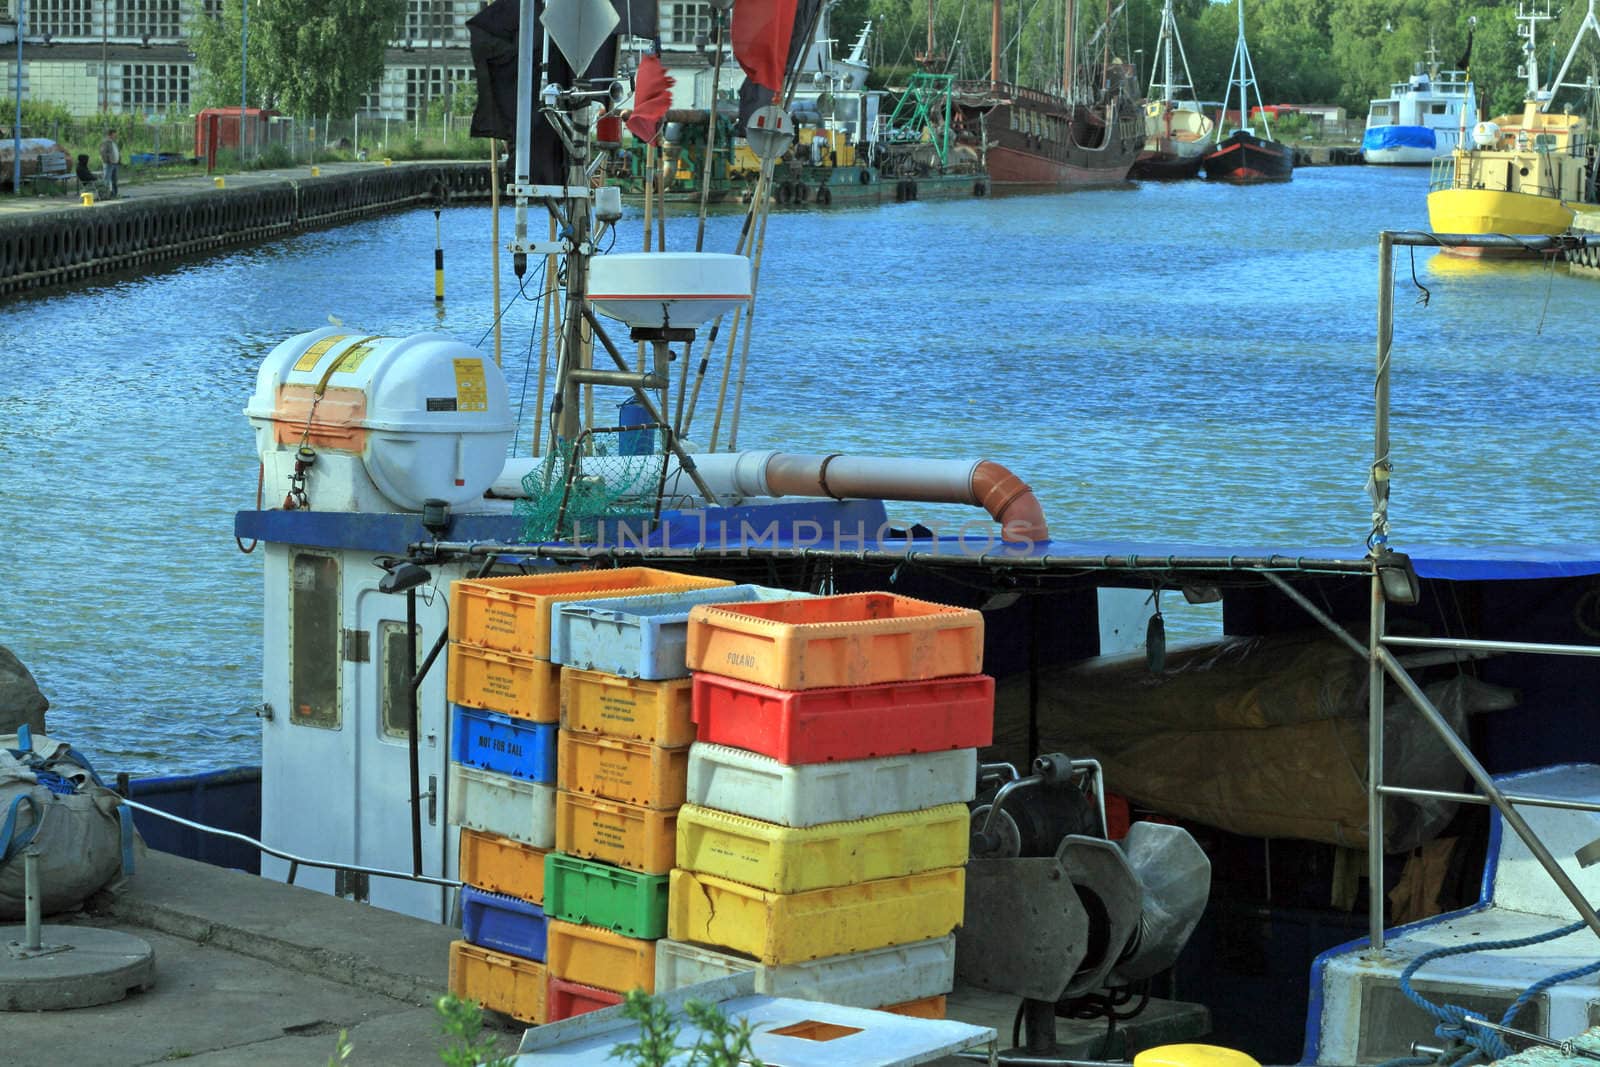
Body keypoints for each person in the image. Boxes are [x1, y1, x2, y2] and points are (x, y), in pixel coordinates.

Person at [98, 129, 119, 198]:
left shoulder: (113, 142)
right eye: (114, 134)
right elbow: (102, 153)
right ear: (110, 135)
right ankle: (104, 195)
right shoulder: (105, 142)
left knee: (114, 180)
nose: (116, 135)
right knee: (106, 180)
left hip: (115, 163)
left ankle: (114, 194)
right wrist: (108, 161)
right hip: (109, 164)